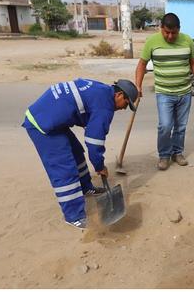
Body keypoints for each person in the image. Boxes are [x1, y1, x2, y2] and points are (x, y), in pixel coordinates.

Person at [22, 78, 138, 229]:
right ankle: (73, 216)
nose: (123, 109)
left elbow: (82, 106)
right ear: (119, 95)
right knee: (64, 168)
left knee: (76, 152)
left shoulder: (102, 89)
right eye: (126, 104)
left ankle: (85, 187)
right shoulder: (105, 107)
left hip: (52, 117)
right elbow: (94, 143)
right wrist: (99, 166)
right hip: (42, 124)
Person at [135, 13, 194, 171]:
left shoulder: (187, 40)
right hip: (164, 92)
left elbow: (193, 63)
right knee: (165, 126)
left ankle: (177, 152)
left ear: (179, 29)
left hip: (184, 91)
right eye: (167, 32)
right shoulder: (152, 41)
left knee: (181, 126)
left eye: (174, 32)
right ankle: (164, 155)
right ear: (161, 28)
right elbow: (141, 65)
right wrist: (138, 86)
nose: (170, 36)